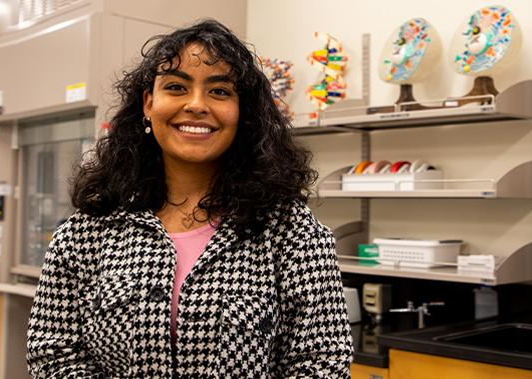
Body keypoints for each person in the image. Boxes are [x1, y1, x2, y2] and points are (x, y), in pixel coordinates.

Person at [26, 19, 353, 378]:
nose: (196, 104)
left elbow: (323, 362)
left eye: (220, 91)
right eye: (177, 87)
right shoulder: (86, 233)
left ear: (242, 112)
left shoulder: (290, 232)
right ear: (149, 103)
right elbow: (52, 355)